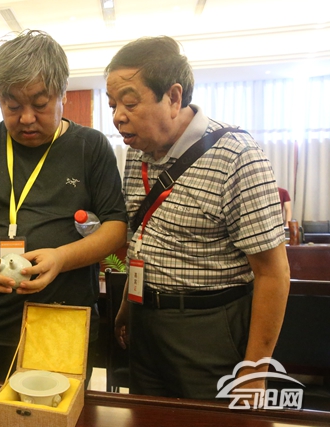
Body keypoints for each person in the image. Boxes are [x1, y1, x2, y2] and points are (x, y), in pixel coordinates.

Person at [0, 30, 128, 381]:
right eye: (13, 106)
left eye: (40, 103)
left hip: (63, 321)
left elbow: (115, 228)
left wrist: (61, 258)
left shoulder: (90, 147)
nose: (27, 118)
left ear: (62, 93)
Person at [106, 36, 290, 399]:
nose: (117, 117)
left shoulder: (237, 156)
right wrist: (128, 305)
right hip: (145, 323)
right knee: (146, 417)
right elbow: (144, 239)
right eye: (113, 105)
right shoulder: (138, 153)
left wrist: (255, 371)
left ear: (174, 97)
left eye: (130, 103)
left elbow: (273, 273)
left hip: (207, 330)